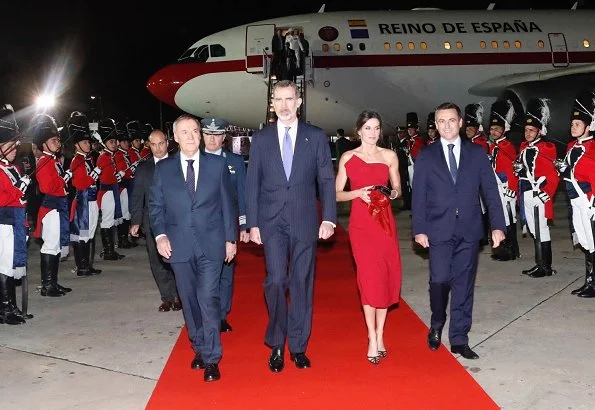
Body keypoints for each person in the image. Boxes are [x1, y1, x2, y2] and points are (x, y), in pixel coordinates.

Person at [246, 80, 336, 373]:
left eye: (289, 99)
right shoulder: (260, 139)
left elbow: (325, 179)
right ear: (272, 104)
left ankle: (297, 346)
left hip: (304, 219)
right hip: (271, 221)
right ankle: (276, 342)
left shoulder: (316, 136)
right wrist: (252, 222)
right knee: (275, 281)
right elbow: (252, 184)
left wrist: (329, 217)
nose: (284, 105)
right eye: (279, 100)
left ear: (299, 102)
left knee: (301, 283)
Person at [412, 102, 505, 360]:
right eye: (441, 121)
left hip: (469, 229)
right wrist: (419, 229)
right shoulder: (426, 156)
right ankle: (437, 321)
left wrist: (498, 225)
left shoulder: (477, 153)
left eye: (451, 120)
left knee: (464, 285)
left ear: (461, 122)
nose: (446, 126)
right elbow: (418, 196)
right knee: (439, 280)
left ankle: (459, 339)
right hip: (437, 229)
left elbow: (490, 191)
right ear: (436, 125)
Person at [149, 114, 237, 383]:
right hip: (178, 247)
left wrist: (230, 239)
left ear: (200, 135)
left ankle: (212, 358)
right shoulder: (164, 169)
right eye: (184, 132)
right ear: (175, 137)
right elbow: (156, 207)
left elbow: (227, 204)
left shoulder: (216, 165)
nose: (190, 136)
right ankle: (198, 346)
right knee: (189, 300)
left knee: (208, 299)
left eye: (195, 131)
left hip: (211, 244)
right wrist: (161, 236)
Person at [335, 110, 402, 364]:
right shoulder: (348, 157)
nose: (372, 133)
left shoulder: (389, 156)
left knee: (384, 277)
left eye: (376, 128)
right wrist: (358, 193)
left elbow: (398, 189)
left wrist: (389, 194)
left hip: (385, 224)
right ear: (358, 131)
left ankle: (381, 333)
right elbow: (337, 193)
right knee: (368, 277)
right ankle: (371, 337)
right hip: (361, 227)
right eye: (368, 128)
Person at [201, 118, 249, 332]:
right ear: (203, 136)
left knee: (225, 273)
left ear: (224, 137)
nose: (212, 139)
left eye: (217, 135)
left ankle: (221, 315)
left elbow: (242, 194)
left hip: (226, 225)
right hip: (200, 226)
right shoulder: (194, 159)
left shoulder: (235, 161)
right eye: (208, 134)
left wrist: (244, 224)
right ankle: (204, 314)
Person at [130, 129, 180, 312]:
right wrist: (135, 221)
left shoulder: (178, 164)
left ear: (167, 143)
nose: (158, 148)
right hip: (152, 221)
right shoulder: (144, 169)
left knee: (176, 258)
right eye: (154, 144)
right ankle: (167, 297)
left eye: (161, 143)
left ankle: (179, 294)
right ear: (149, 146)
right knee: (157, 260)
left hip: (176, 220)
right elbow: (137, 196)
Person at [515, 98, 560, 278]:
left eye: (531, 130)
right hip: (526, 192)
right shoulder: (524, 147)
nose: (527, 133)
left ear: (539, 131)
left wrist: (546, 194)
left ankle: (545, 267)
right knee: (534, 230)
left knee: (541, 229)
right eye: (526, 130)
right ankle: (539, 264)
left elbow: (553, 175)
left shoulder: (547, 147)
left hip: (538, 193)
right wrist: (518, 168)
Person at [557, 90, 595, 297]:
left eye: (578, 124)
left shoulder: (593, 148)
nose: (573, 127)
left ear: (588, 127)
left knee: (593, 240)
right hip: (575, 200)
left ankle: (594, 283)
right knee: (585, 240)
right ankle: (589, 281)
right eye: (572, 124)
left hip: (588, 200)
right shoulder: (571, 147)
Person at [30, 114, 73, 297]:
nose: (58, 143)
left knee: (55, 246)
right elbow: (47, 187)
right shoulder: (43, 162)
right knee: (50, 246)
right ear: (44, 144)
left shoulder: (53, 161)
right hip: (51, 208)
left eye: (58, 139)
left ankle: (53, 283)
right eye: (53, 140)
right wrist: (63, 180)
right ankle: (47, 285)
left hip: (58, 206)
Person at [0, 104, 28, 324]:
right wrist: (18, 191)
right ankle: (4, 308)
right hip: (2, 223)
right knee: (3, 264)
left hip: (14, 222)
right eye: (10, 146)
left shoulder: (14, 168)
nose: (15, 149)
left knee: (10, 264)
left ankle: (11, 305)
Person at [67, 111, 102, 277]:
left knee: (91, 233)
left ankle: (88, 264)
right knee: (83, 235)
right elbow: (80, 183)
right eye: (84, 142)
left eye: (88, 142)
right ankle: (82, 266)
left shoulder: (87, 159)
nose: (88, 145)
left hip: (92, 200)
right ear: (76, 145)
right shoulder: (76, 161)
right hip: (83, 202)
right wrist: (94, 174)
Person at [488, 100, 520, 261]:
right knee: (502, 216)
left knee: (509, 217)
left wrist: (512, 189)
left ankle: (511, 249)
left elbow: (512, 170)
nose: (493, 132)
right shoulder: (494, 146)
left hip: (506, 186)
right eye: (492, 129)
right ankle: (506, 248)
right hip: (497, 186)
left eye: (497, 129)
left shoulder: (506, 146)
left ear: (504, 130)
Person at [96, 118, 126, 261]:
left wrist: (121, 173)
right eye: (111, 142)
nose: (114, 144)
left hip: (112, 190)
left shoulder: (112, 156)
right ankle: (108, 250)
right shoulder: (103, 157)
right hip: (106, 191)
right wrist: (118, 176)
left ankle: (110, 249)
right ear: (104, 143)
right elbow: (106, 178)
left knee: (111, 221)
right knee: (107, 221)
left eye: (115, 141)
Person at [394, 125, 411, 210]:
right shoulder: (398, 143)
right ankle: (406, 203)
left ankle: (409, 204)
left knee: (407, 187)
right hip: (399, 168)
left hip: (406, 168)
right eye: (398, 133)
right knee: (403, 186)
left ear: (405, 133)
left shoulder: (407, 142)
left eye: (401, 132)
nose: (399, 134)